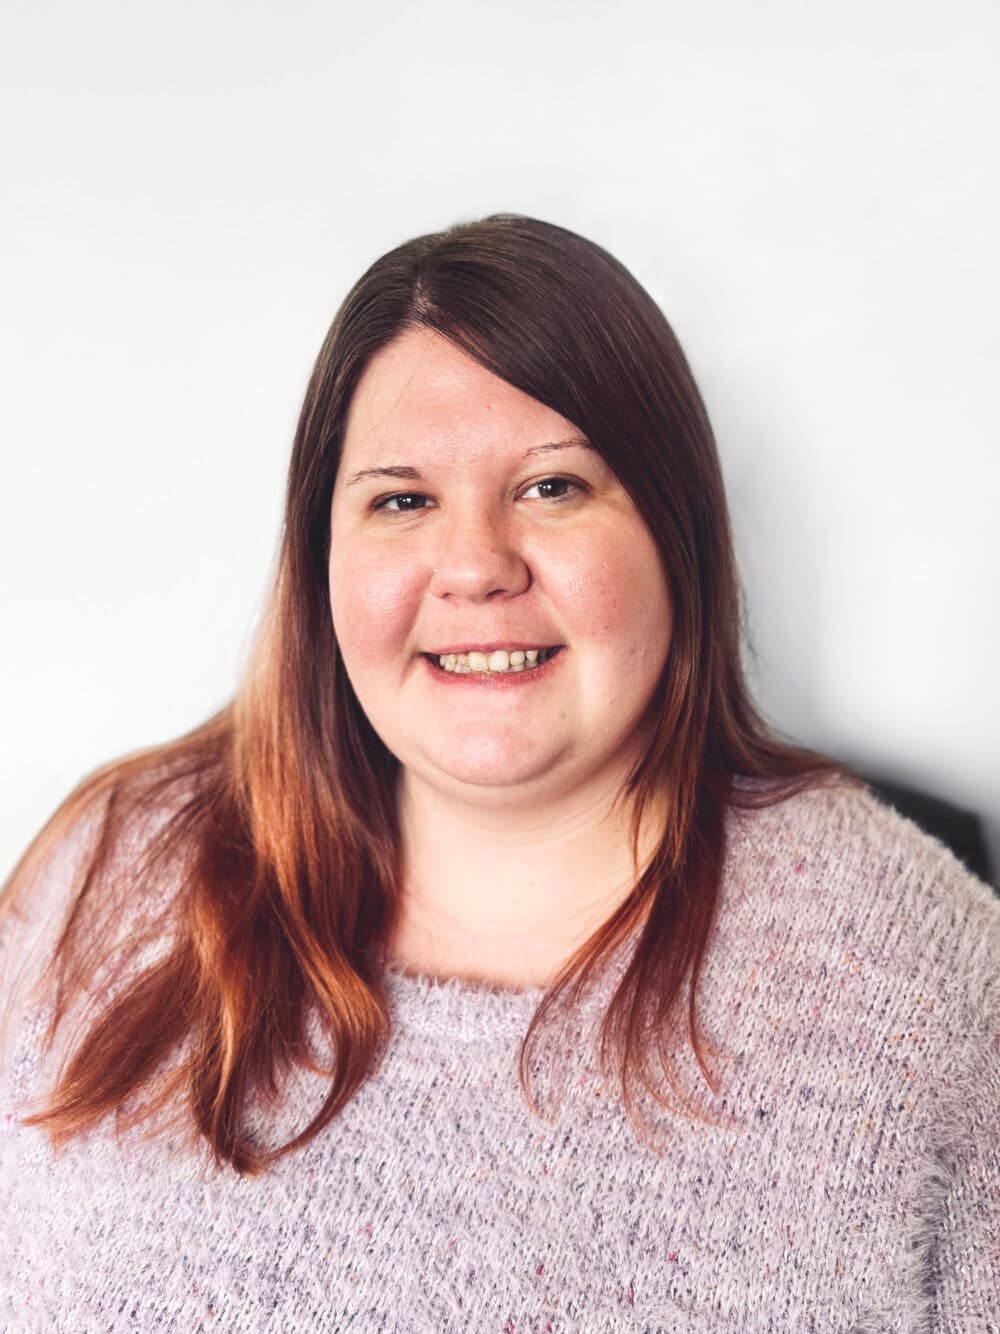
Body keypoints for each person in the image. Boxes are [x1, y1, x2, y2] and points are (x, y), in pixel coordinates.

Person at [1, 213, 996, 1331]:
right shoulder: (108, 874)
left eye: (551, 486)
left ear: (678, 534)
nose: (474, 565)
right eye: (402, 498)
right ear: (320, 556)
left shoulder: (928, 981)